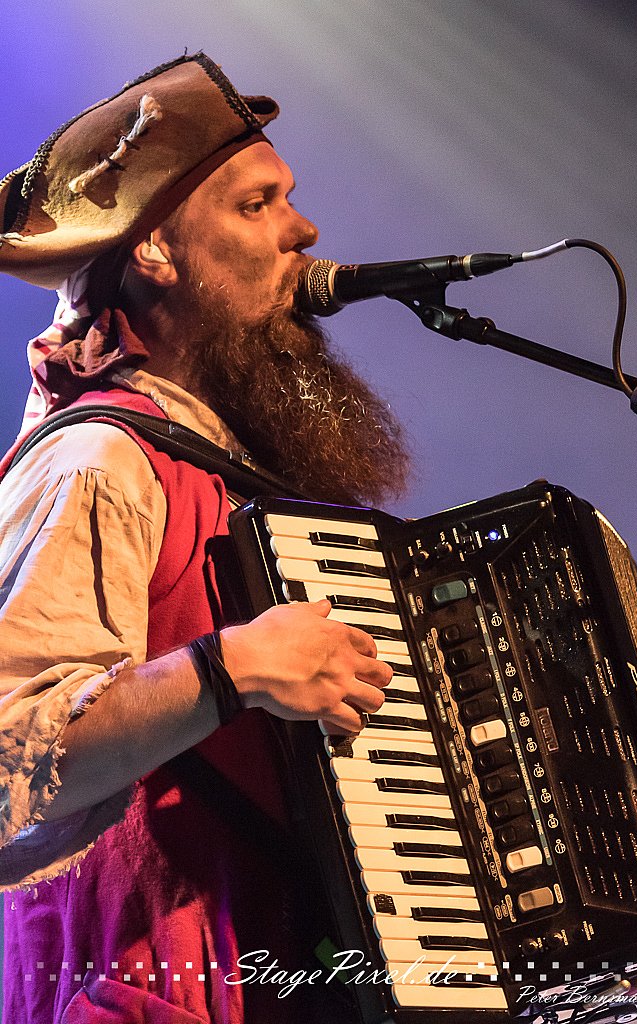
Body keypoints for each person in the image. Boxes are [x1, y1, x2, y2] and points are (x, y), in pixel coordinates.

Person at [0, 53, 410, 1023]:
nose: (303, 232)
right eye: (256, 205)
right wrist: (230, 670)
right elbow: (7, 762)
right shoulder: (99, 458)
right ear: (154, 250)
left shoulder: (216, 464)